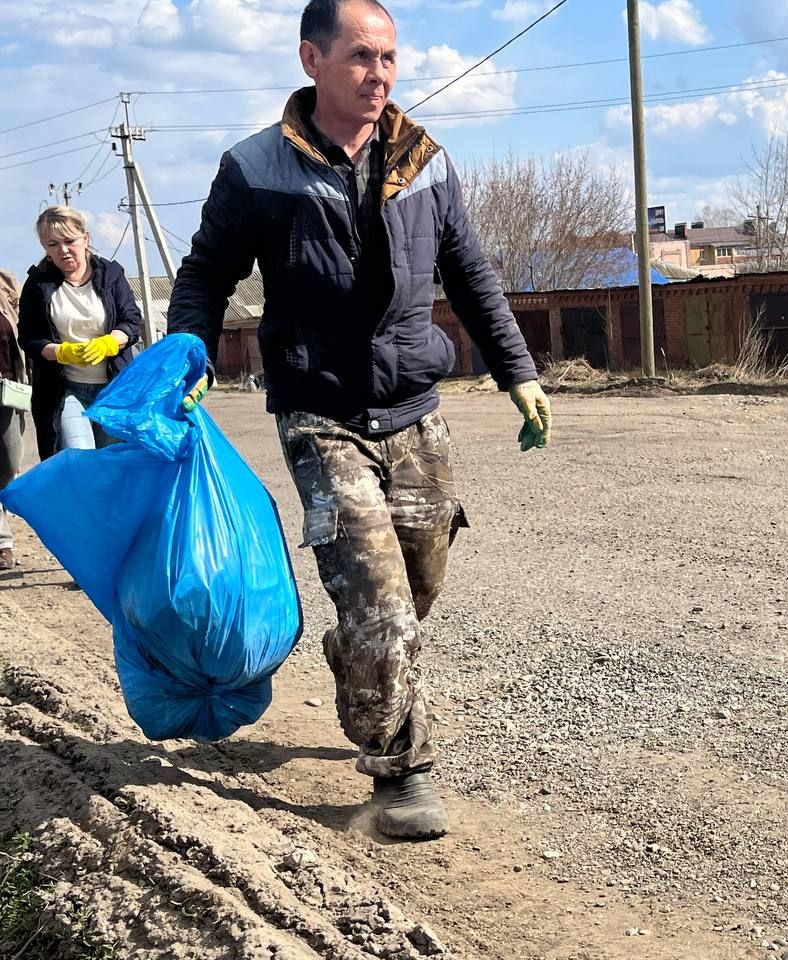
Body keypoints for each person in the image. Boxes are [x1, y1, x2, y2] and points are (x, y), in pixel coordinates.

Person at [168, 0, 552, 841]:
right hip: (320, 410)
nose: (379, 74)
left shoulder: (425, 160)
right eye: (360, 57)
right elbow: (203, 277)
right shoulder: (256, 168)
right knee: (379, 602)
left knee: (413, 593)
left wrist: (518, 371)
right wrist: (187, 355)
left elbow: (473, 276)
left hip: (415, 405)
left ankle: (361, 660)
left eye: (388, 58)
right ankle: (401, 768)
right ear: (312, 58)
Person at [17, 207, 141, 456]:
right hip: (65, 392)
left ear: (85, 238)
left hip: (112, 390)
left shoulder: (112, 275)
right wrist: (60, 352)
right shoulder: (37, 284)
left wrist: (110, 342)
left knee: (111, 465)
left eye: (69, 241)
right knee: (80, 459)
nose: (63, 250)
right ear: (45, 248)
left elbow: (131, 320)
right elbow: (28, 337)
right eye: (53, 244)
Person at [0, 268, 25, 571]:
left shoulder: (5, 282)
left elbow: (22, 329)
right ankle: (3, 542)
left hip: (7, 392)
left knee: (8, 466)